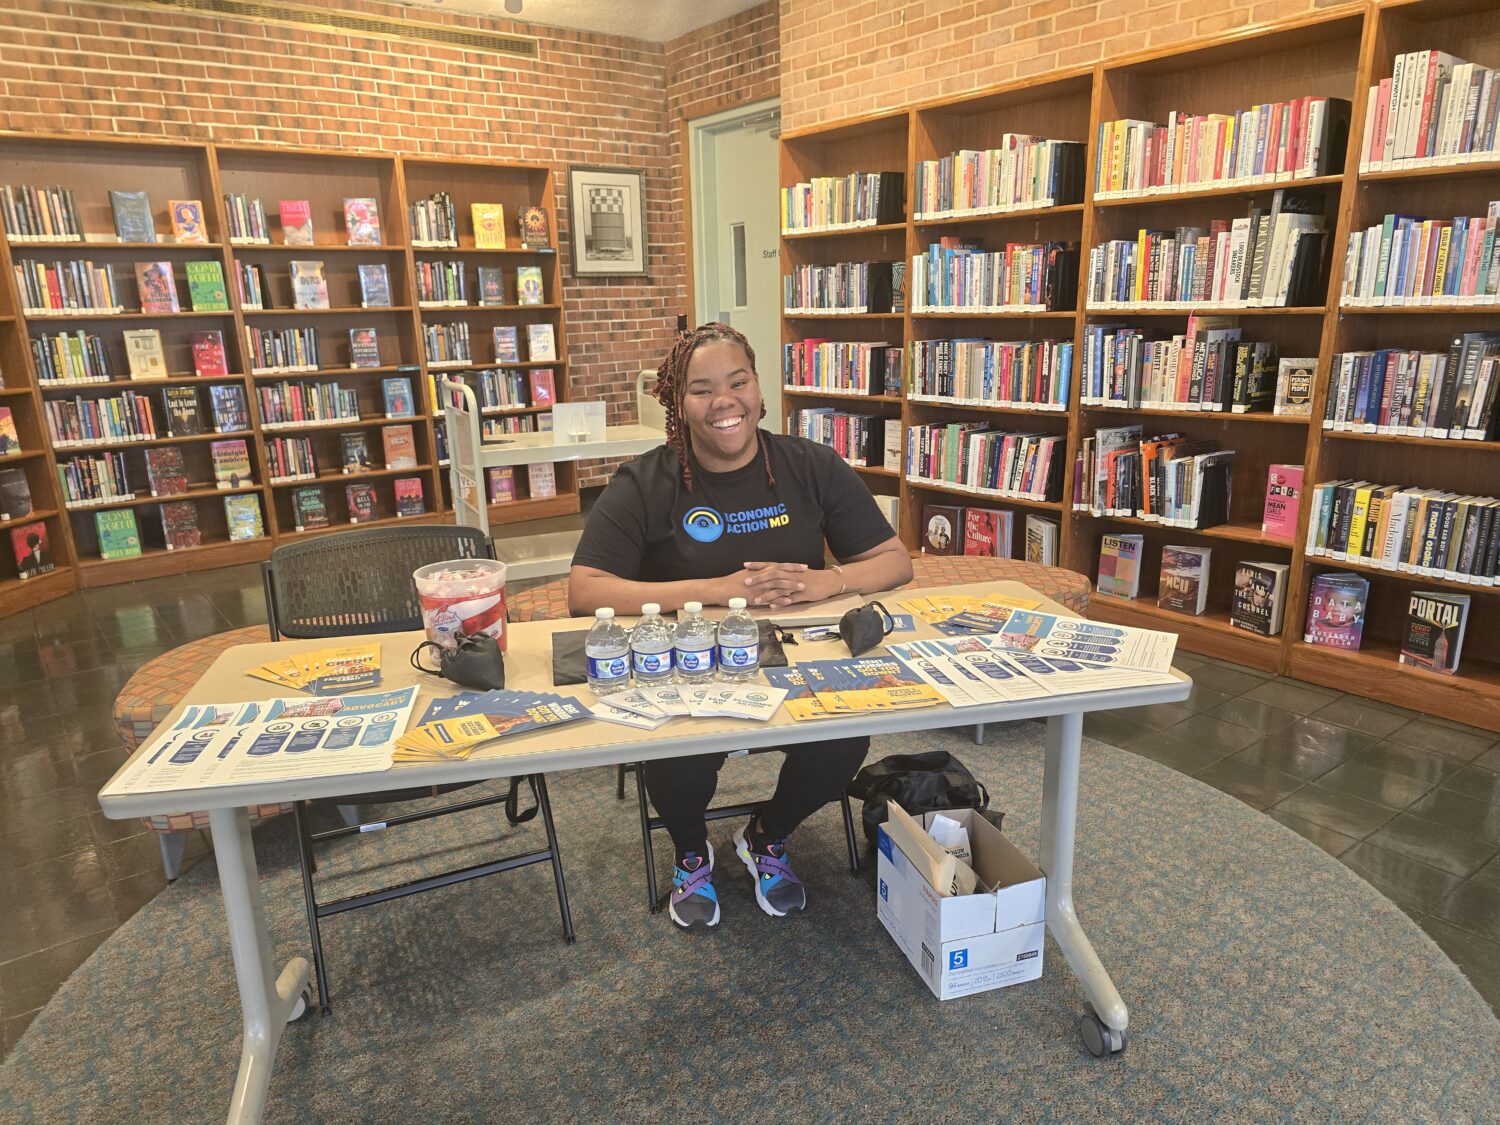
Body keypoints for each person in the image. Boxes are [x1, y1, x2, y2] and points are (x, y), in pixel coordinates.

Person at [569, 322, 912, 931]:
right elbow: (586, 590)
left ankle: (767, 836)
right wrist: (714, 592)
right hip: (690, 661)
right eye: (700, 389)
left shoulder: (811, 465)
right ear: (676, 404)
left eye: (738, 383)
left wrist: (826, 580)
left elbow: (893, 560)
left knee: (845, 739)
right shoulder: (644, 482)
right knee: (680, 757)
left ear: (758, 391)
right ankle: (691, 851)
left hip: (798, 655)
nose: (723, 402)